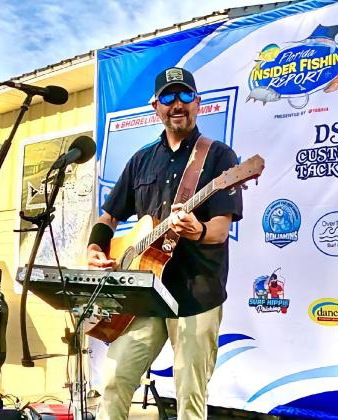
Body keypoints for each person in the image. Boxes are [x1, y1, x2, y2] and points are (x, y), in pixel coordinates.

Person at [88, 66, 243, 420]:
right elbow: (108, 216)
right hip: (146, 292)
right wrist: (95, 248)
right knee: (113, 380)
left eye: (185, 95)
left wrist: (196, 230)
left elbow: (219, 229)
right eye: (169, 97)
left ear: (198, 103)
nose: (178, 104)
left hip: (196, 292)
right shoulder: (142, 159)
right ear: (155, 106)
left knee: (189, 397)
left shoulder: (219, 157)